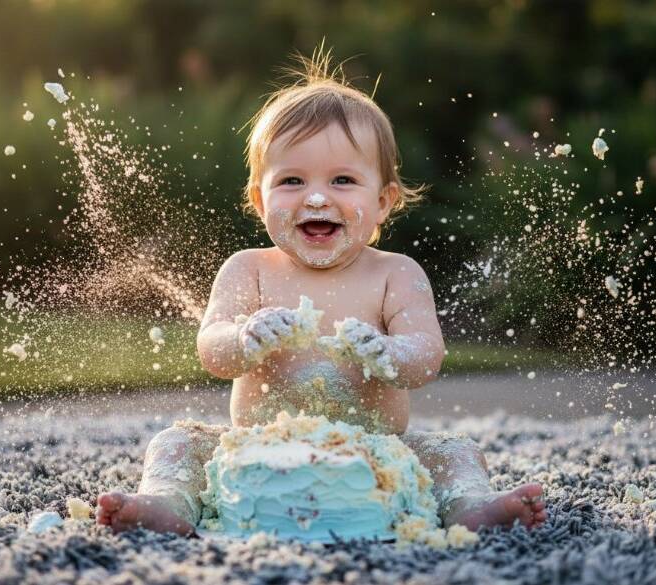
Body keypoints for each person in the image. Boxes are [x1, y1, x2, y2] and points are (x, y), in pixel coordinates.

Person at [97, 46, 546, 536]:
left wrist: (389, 353)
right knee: (175, 442)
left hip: (376, 453)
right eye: (291, 180)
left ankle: (471, 507)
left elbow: (427, 356)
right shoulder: (249, 270)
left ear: (382, 202)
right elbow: (212, 349)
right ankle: (166, 503)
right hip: (256, 449)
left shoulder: (396, 274)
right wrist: (245, 338)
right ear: (258, 198)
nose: (315, 197)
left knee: (456, 452)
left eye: (342, 180)